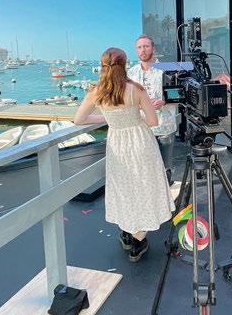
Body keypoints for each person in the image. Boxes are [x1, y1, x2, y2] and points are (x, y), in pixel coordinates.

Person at [74, 47, 174, 262]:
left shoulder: (96, 92)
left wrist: (108, 118)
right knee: (143, 186)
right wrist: (135, 117)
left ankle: (128, 233)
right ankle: (138, 241)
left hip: (117, 144)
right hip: (141, 142)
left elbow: (79, 119)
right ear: (124, 65)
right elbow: (153, 121)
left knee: (124, 188)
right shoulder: (136, 89)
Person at [128, 35, 179, 183]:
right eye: (139, 47)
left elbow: (178, 93)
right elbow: (128, 97)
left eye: (146, 46)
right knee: (143, 167)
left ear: (153, 48)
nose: (142, 50)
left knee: (165, 168)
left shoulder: (168, 69)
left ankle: (165, 193)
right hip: (142, 128)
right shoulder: (131, 73)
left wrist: (164, 102)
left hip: (164, 126)